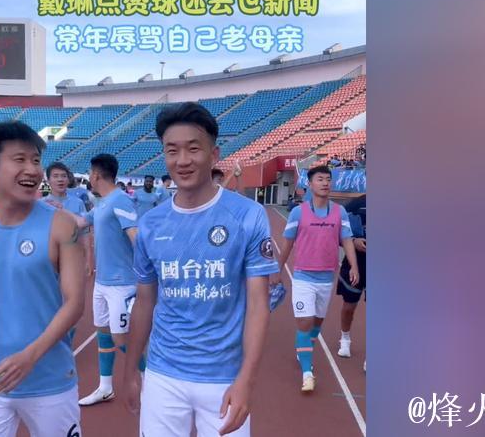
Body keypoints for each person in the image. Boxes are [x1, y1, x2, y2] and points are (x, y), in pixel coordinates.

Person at [124, 103, 277, 437]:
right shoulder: (150, 224)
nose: (182, 160)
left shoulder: (247, 216)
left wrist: (246, 380)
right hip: (163, 375)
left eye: (193, 149)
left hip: (224, 377)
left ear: (214, 154)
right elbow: (145, 301)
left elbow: (258, 303)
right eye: (172, 151)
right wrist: (131, 368)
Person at [0, 122, 85, 437]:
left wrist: (29, 357)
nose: (32, 169)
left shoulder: (61, 225)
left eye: (35, 160)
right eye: (19, 159)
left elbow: (75, 303)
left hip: (50, 382)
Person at [272, 165, 359, 392]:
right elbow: (287, 243)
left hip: (326, 278)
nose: (325, 183)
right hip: (303, 277)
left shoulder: (339, 212)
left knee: (316, 325)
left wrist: (353, 266)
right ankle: (307, 372)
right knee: (305, 322)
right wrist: (277, 270)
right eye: (320, 179)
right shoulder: (298, 212)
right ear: (309, 184)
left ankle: (303, 351)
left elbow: (347, 239)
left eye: (328, 179)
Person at [75, 154, 143, 406]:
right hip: (102, 282)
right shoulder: (102, 204)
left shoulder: (120, 199)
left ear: (95, 175)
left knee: (120, 338)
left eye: (89, 174)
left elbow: (135, 236)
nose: (89, 178)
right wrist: (50, 211)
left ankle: (152, 378)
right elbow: (80, 222)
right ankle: (105, 388)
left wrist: (148, 275)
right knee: (103, 334)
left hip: (121, 284)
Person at [43, 162, 93, 276]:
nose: (60, 179)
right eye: (55, 176)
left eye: (63, 176)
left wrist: (89, 258)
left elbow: (85, 232)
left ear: (68, 179)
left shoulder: (78, 203)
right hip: (47, 258)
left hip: (73, 257)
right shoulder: (42, 204)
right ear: (48, 180)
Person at [336, 194, 366, 364]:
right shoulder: (355, 205)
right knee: (349, 307)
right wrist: (353, 241)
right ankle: (345, 339)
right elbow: (338, 233)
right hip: (356, 263)